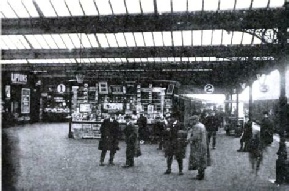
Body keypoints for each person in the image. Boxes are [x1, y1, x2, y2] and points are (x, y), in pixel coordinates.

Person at [187, 115, 208, 180]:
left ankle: (200, 175)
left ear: (195, 120)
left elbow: (195, 136)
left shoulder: (197, 127)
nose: (190, 122)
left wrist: (189, 139)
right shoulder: (202, 125)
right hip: (203, 144)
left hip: (198, 145)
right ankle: (201, 174)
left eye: (191, 121)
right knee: (202, 159)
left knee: (198, 159)